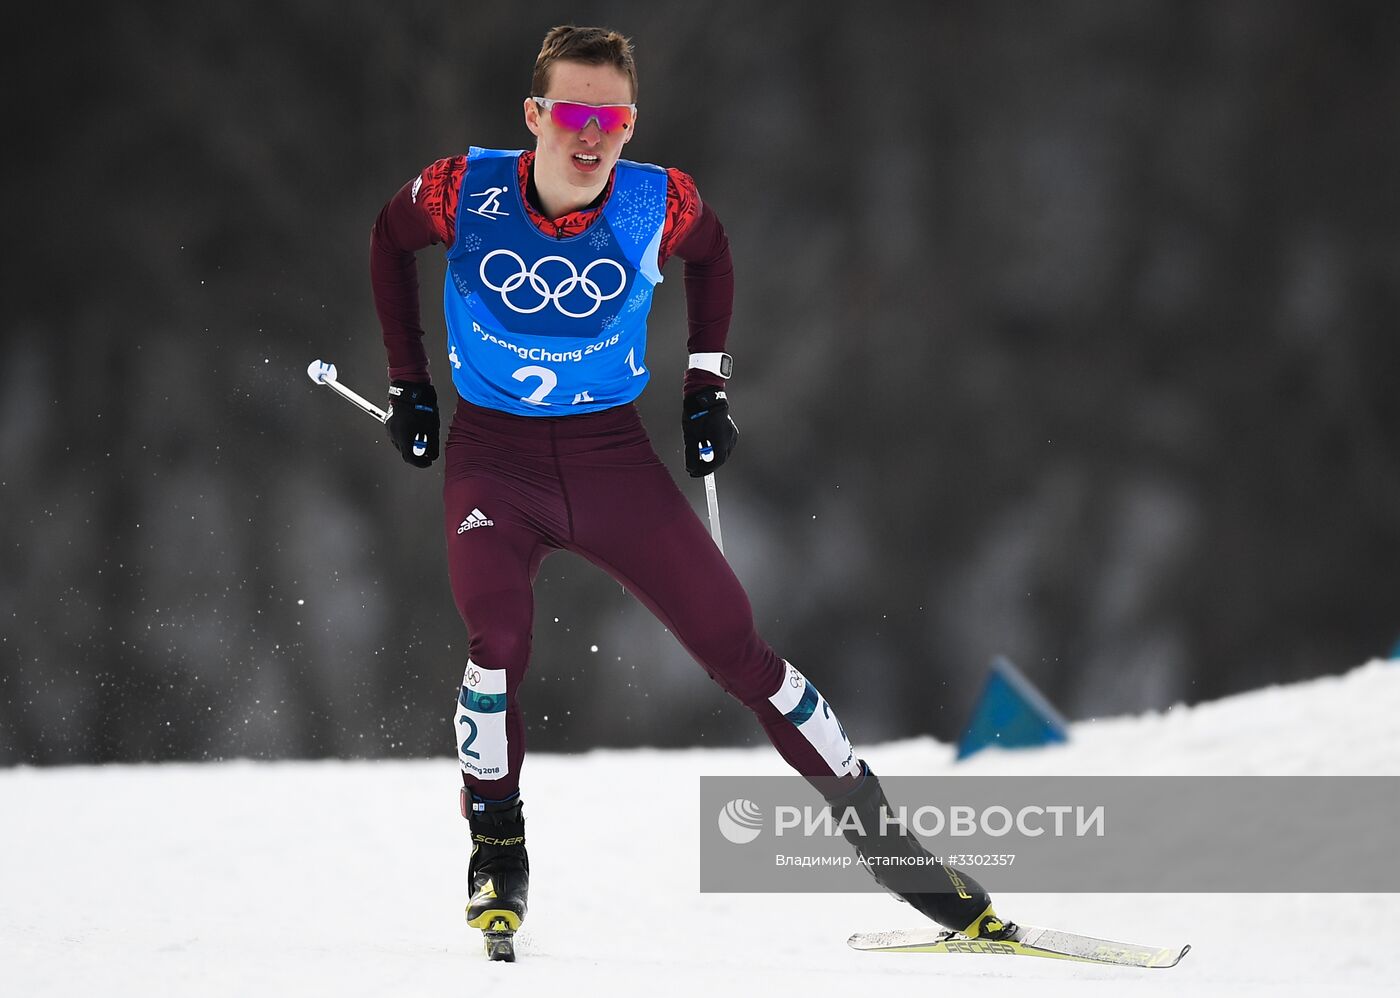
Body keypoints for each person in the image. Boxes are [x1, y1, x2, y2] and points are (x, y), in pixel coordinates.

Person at [369, 24, 1012, 958]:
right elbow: (388, 243)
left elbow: (714, 256)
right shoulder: (461, 188)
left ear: (630, 126)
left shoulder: (655, 200)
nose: (591, 136)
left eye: (614, 117)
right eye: (574, 113)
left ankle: (894, 852)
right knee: (496, 638)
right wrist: (408, 384)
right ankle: (498, 850)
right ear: (535, 116)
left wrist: (706, 386)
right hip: (493, 461)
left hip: (610, 459)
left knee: (737, 648)